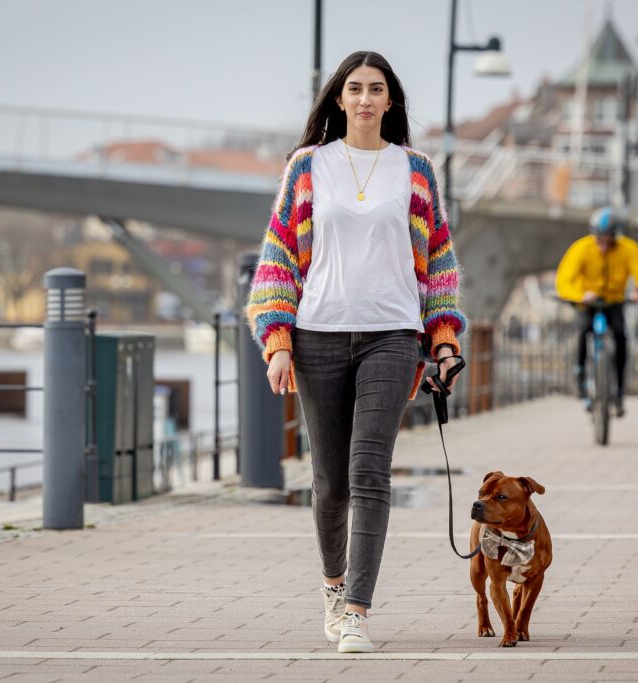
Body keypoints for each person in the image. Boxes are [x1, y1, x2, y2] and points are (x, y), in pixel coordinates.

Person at [244, 51, 466, 654]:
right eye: (354, 89)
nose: (365, 99)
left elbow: (439, 262)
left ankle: (357, 612)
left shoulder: (416, 170)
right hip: (317, 336)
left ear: (391, 100)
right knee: (330, 482)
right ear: (338, 100)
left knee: (370, 471)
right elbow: (279, 258)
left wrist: (442, 340)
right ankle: (333, 584)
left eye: (376, 89)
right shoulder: (308, 166)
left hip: (393, 335)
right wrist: (277, 341)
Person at [554, 206, 638, 417]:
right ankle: (580, 374)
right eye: (600, 239)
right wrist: (579, 295)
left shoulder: (628, 248)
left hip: (614, 301)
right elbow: (564, 279)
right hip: (588, 302)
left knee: (621, 336)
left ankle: (618, 388)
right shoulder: (581, 248)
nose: (604, 245)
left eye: (609, 240)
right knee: (583, 332)